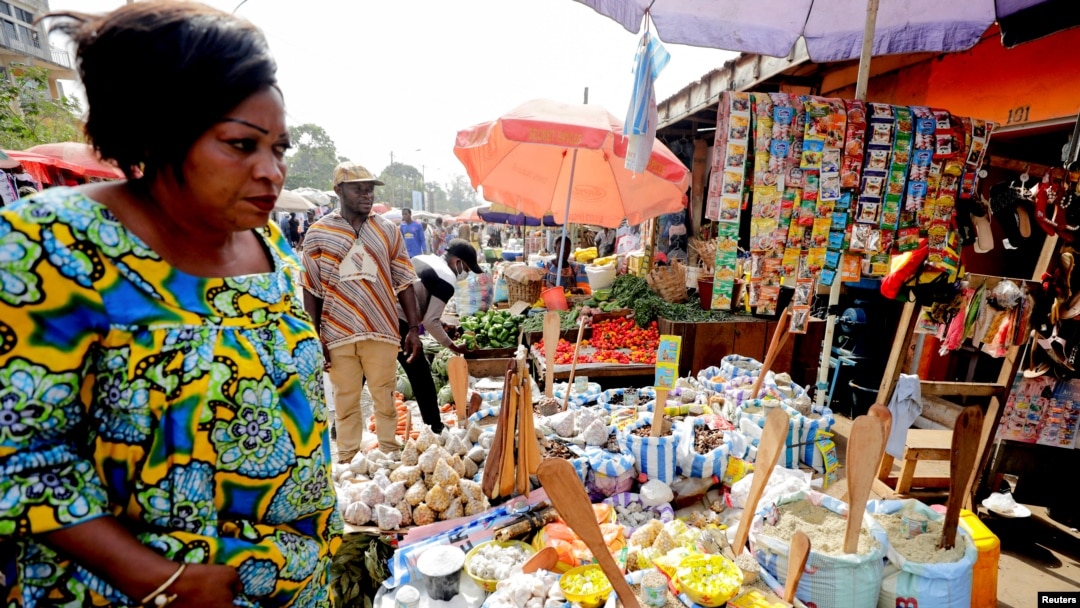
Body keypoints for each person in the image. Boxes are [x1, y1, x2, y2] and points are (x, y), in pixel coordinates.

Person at [0, 3, 340, 607]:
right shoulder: (52, 244)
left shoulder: (272, 250)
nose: (272, 172)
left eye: (279, 148)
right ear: (160, 131)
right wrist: (158, 580)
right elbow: (25, 457)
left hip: (295, 586)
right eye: (241, 145)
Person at [302, 161, 422, 460]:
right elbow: (310, 289)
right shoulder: (318, 233)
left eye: (370, 189)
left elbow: (404, 281)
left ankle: (391, 455)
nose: (367, 195)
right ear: (339, 190)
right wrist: (313, 334)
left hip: (381, 327)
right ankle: (348, 459)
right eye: (359, 189)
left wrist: (415, 330)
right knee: (346, 401)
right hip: (337, 332)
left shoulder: (387, 231)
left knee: (384, 396)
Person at [396, 239, 484, 432]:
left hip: (383, 315)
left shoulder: (424, 258)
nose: (465, 274)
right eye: (467, 269)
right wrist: (453, 346)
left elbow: (423, 303)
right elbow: (430, 322)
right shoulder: (447, 278)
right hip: (400, 322)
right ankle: (435, 426)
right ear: (457, 262)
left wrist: (441, 324)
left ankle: (339, 425)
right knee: (421, 375)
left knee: (367, 369)